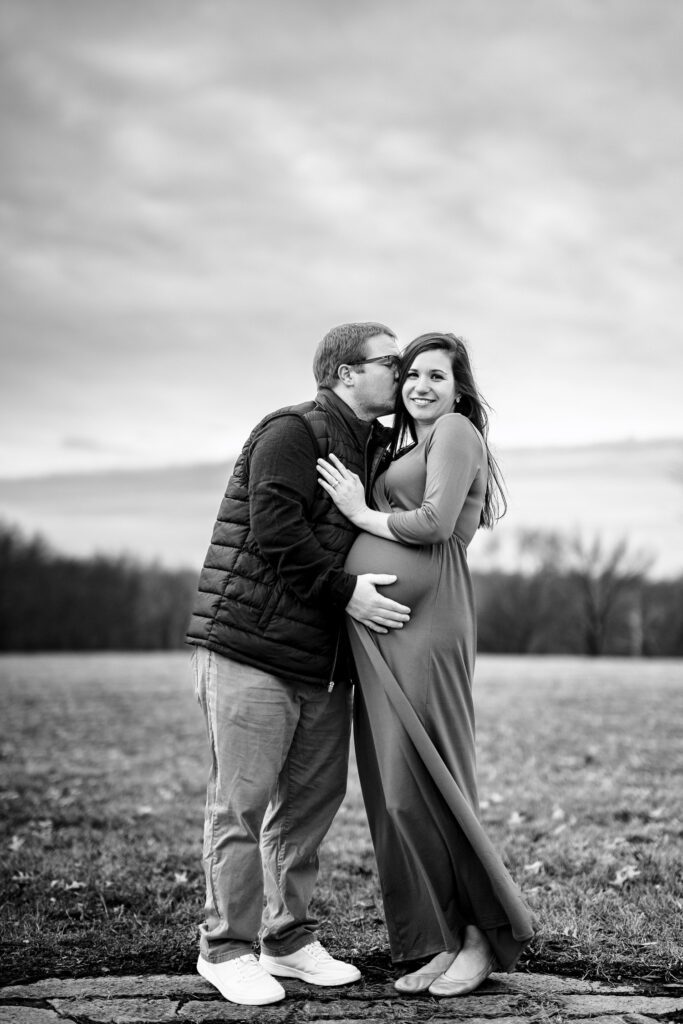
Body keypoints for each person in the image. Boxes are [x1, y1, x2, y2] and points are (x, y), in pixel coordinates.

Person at [185, 322, 412, 1007]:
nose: (401, 371)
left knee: (309, 807)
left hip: (324, 663)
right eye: (390, 361)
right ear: (346, 372)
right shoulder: (292, 431)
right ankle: (225, 949)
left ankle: (286, 940)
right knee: (241, 805)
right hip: (251, 650)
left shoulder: (377, 447)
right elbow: (275, 529)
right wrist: (347, 593)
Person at [317, 332, 535, 997]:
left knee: (432, 779)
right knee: (396, 790)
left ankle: (481, 936)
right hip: (378, 633)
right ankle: (443, 937)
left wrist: (359, 513)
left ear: (458, 389)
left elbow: (436, 523)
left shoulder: (455, 432)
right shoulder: (400, 445)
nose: (420, 385)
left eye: (436, 376)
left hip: (430, 619)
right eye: (411, 373)